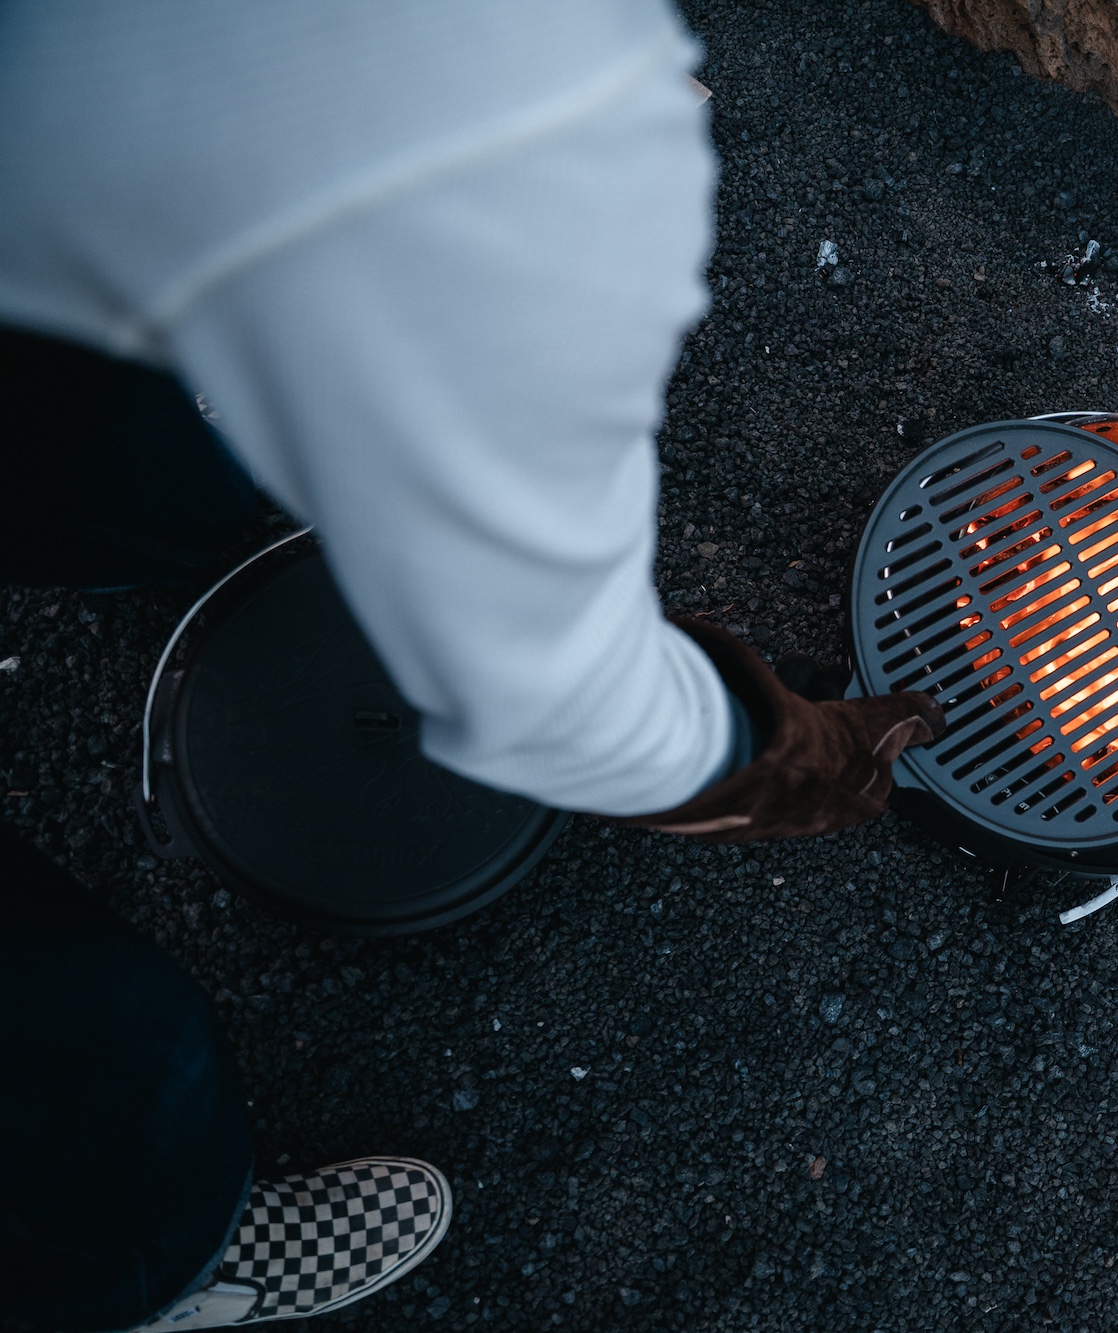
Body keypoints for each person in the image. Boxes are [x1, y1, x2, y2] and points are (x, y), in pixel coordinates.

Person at [0, 2, 942, 1328]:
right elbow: (549, 694)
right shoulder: (508, 126)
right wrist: (795, 758)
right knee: (64, 1055)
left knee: (112, 430)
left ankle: (129, 506)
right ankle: (147, 1251)